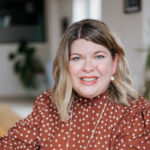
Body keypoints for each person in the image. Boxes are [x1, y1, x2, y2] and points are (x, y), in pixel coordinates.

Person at [0, 19, 150, 150]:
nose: (88, 67)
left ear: (114, 63)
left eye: (99, 56)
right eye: (77, 58)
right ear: (66, 65)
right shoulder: (48, 104)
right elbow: (11, 145)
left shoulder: (135, 114)